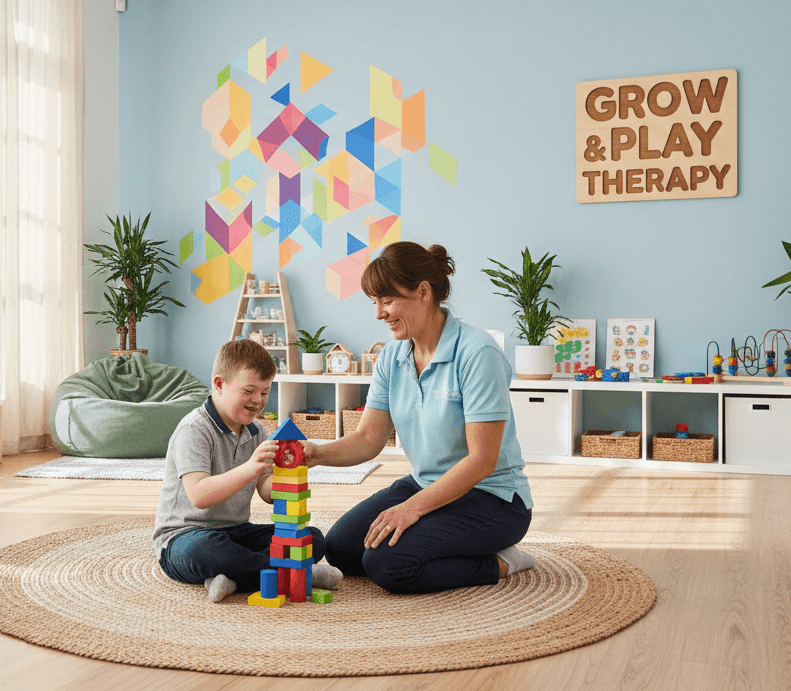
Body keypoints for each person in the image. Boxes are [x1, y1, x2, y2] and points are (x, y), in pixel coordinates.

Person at [304, 241, 535, 595]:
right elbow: (369, 439)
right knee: (341, 551)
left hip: (493, 499)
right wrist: (315, 454)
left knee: (387, 565)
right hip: (425, 483)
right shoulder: (392, 357)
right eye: (374, 303)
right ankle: (438, 535)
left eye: (387, 301)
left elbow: (482, 460)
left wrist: (410, 509)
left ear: (423, 292)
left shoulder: (477, 353)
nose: (379, 313)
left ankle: (502, 561)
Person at [154, 338, 343, 601]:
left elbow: (266, 491)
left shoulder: (257, 431)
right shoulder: (194, 430)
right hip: (185, 537)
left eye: (265, 392)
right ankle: (298, 574)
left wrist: (288, 477)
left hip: (237, 531)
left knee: (310, 537)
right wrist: (250, 467)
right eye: (249, 391)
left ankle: (235, 577)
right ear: (219, 385)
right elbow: (199, 495)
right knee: (209, 550)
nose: (258, 400)